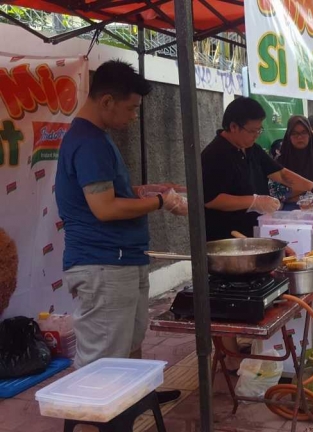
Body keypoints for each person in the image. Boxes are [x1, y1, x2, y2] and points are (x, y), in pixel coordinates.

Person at [57, 60, 186, 408]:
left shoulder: (98, 139)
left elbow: (111, 195)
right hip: (103, 265)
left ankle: (137, 399)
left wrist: (150, 190)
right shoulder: (89, 142)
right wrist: (161, 201)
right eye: (130, 109)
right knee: (100, 365)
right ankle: (99, 419)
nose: (132, 117)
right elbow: (104, 208)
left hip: (121, 261)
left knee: (129, 341)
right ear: (107, 101)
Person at [202, 99, 313, 371]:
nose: (257, 135)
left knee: (249, 289)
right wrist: (254, 200)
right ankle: (228, 355)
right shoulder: (214, 155)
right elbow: (210, 199)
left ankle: (239, 346)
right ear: (233, 127)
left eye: (260, 130)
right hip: (223, 238)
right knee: (226, 294)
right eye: (253, 130)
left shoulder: (250, 149)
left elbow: (281, 173)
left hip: (250, 234)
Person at [274, 115, 313, 210]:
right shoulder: (280, 160)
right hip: (286, 213)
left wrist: (290, 194)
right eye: (295, 133)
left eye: (304, 133)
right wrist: (310, 187)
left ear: (309, 134)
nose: (300, 137)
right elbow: (276, 193)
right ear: (289, 135)